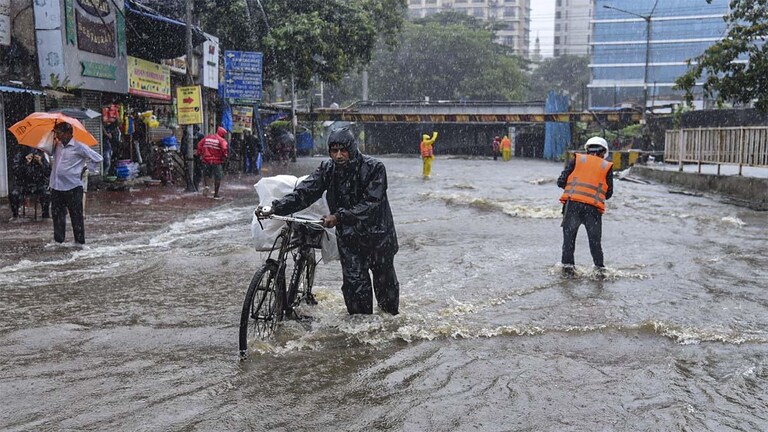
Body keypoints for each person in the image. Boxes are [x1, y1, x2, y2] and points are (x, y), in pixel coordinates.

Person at [257, 127, 400, 315]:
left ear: (352, 148)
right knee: (355, 289)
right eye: (334, 151)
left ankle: (388, 329)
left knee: (386, 290)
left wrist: (339, 217)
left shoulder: (375, 168)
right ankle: (361, 334)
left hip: (378, 238)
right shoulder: (328, 169)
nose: (339, 155)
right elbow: (305, 193)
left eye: (343, 150)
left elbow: (371, 203)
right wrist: (276, 207)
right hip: (350, 239)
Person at [557, 136, 614, 274]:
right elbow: (608, 193)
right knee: (595, 243)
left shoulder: (577, 160)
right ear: (603, 153)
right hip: (593, 209)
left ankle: (567, 273)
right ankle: (599, 272)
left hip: (572, 207)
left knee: (568, 243)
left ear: (587, 149)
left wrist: (574, 190)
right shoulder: (606, 166)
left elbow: (561, 181)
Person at [49, 122, 103, 245]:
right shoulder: (56, 146)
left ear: (68, 133)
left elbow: (98, 158)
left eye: (59, 133)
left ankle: (79, 244)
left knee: (76, 217)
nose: (57, 136)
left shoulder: (79, 147)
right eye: (56, 133)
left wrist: (86, 168)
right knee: (57, 216)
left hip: (73, 186)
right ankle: (59, 242)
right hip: (56, 186)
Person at [9, 146, 51, 220]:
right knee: (13, 193)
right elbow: (16, 172)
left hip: (38, 184)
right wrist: (26, 163)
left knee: (46, 193)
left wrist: (41, 162)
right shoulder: (20, 154)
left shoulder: (41, 154)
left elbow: (48, 172)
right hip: (22, 184)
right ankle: (15, 215)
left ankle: (45, 214)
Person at [196, 126, 228, 199]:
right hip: (216, 161)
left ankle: (206, 186)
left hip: (206, 160)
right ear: (222, 134)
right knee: (218, 177)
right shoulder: (222, 140)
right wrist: (224, 157)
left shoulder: (207, 137)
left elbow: (199, 145)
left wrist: (200, 153)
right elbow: (224, 150)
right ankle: (216, 194)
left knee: (206, 174)